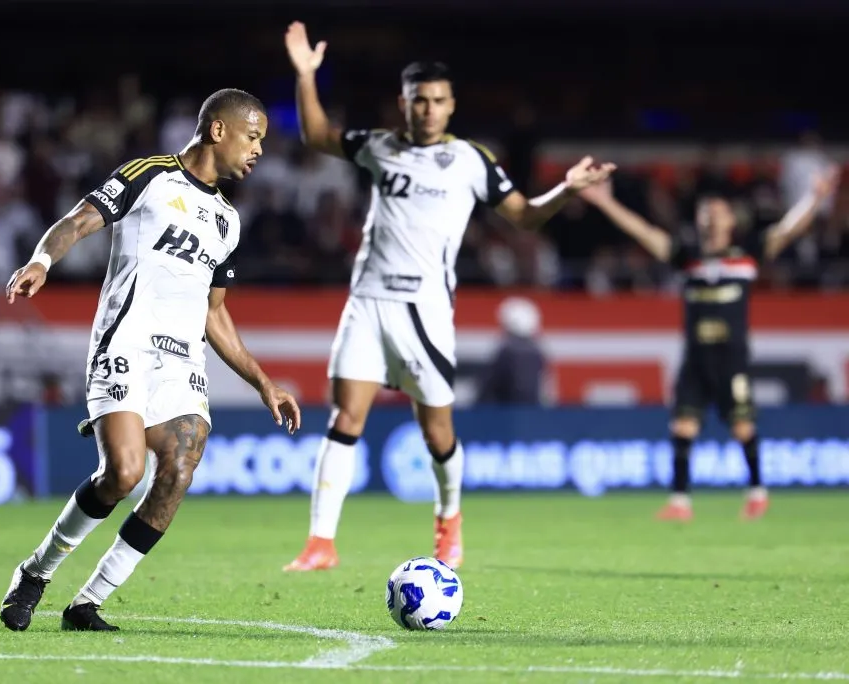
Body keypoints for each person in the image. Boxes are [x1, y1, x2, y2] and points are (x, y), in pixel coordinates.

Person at [282, 21, 616, 571]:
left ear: (451, 105)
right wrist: (305, 76)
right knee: (346, 417)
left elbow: (527, 217)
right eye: (419, 101)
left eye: (438, 101)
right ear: (404, 103)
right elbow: (317, 134)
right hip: (366, 301)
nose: (428, 110)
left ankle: (449, 520)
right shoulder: (379, 147)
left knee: (437, 429)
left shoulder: (471, 161)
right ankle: (321, 543)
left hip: (425, 311)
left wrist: (567, 189)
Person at [0, 88, 302, 632]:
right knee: (123, 472)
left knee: (179, 468)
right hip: (125, 343)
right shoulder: (151, 174)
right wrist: (42, 260)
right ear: (218, 131)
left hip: (182, 361)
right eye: (252, 137)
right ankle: (36, 572)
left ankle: (87, 603)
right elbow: (80, 219)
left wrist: (263, 383)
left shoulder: (228, 220)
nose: (259, 150)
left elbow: (215, 315)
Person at [579, 168, 840, 521]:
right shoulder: (688, 258)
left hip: (730, 357)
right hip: (696, 357)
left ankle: (758, 492)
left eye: (716, 211)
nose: (709, 217)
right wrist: (606, 203)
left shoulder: (747, 255)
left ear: (731, 219)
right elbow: (644, 232)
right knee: (682, 427)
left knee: (742, 426)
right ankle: (680, 502)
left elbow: (787, 230)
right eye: (705, 211)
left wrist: (816, 197)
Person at [477, 297, 546, 405]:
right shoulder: (538, 354)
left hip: (504, 417)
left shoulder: (506, 354)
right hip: (531, 416)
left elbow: (486, 393)